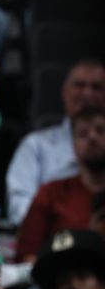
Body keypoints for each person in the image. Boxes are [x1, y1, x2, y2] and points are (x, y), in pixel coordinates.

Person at [6, 59, 105, 225]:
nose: (87, 93)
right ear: (65, 92)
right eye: (79, 85)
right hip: (52, 241)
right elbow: (18, 205)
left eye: (96, 87)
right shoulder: (36, 145)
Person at [16, 105, 105, 261]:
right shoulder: (51, 194)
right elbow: (26, 256)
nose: (92, 137)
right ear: (73, 145)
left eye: (100, 131)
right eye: (83, 134)